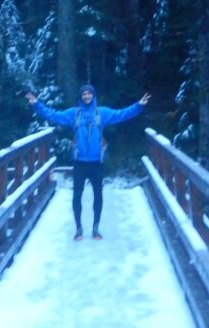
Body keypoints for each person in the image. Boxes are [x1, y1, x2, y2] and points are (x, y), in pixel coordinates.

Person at [25, 83, 150, 240]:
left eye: (89, 94)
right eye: (84, 94)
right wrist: (36, 104)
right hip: (79, 163)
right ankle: (78, 229)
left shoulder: (102, 113)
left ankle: (96, 229)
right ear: (81, 97)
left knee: (98, 195)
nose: (86, 96)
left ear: (93, 95)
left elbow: (121, 114)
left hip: (96, 163)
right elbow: (53, 115)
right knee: (77, 195)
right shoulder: (74, 114)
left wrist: (139, 106)